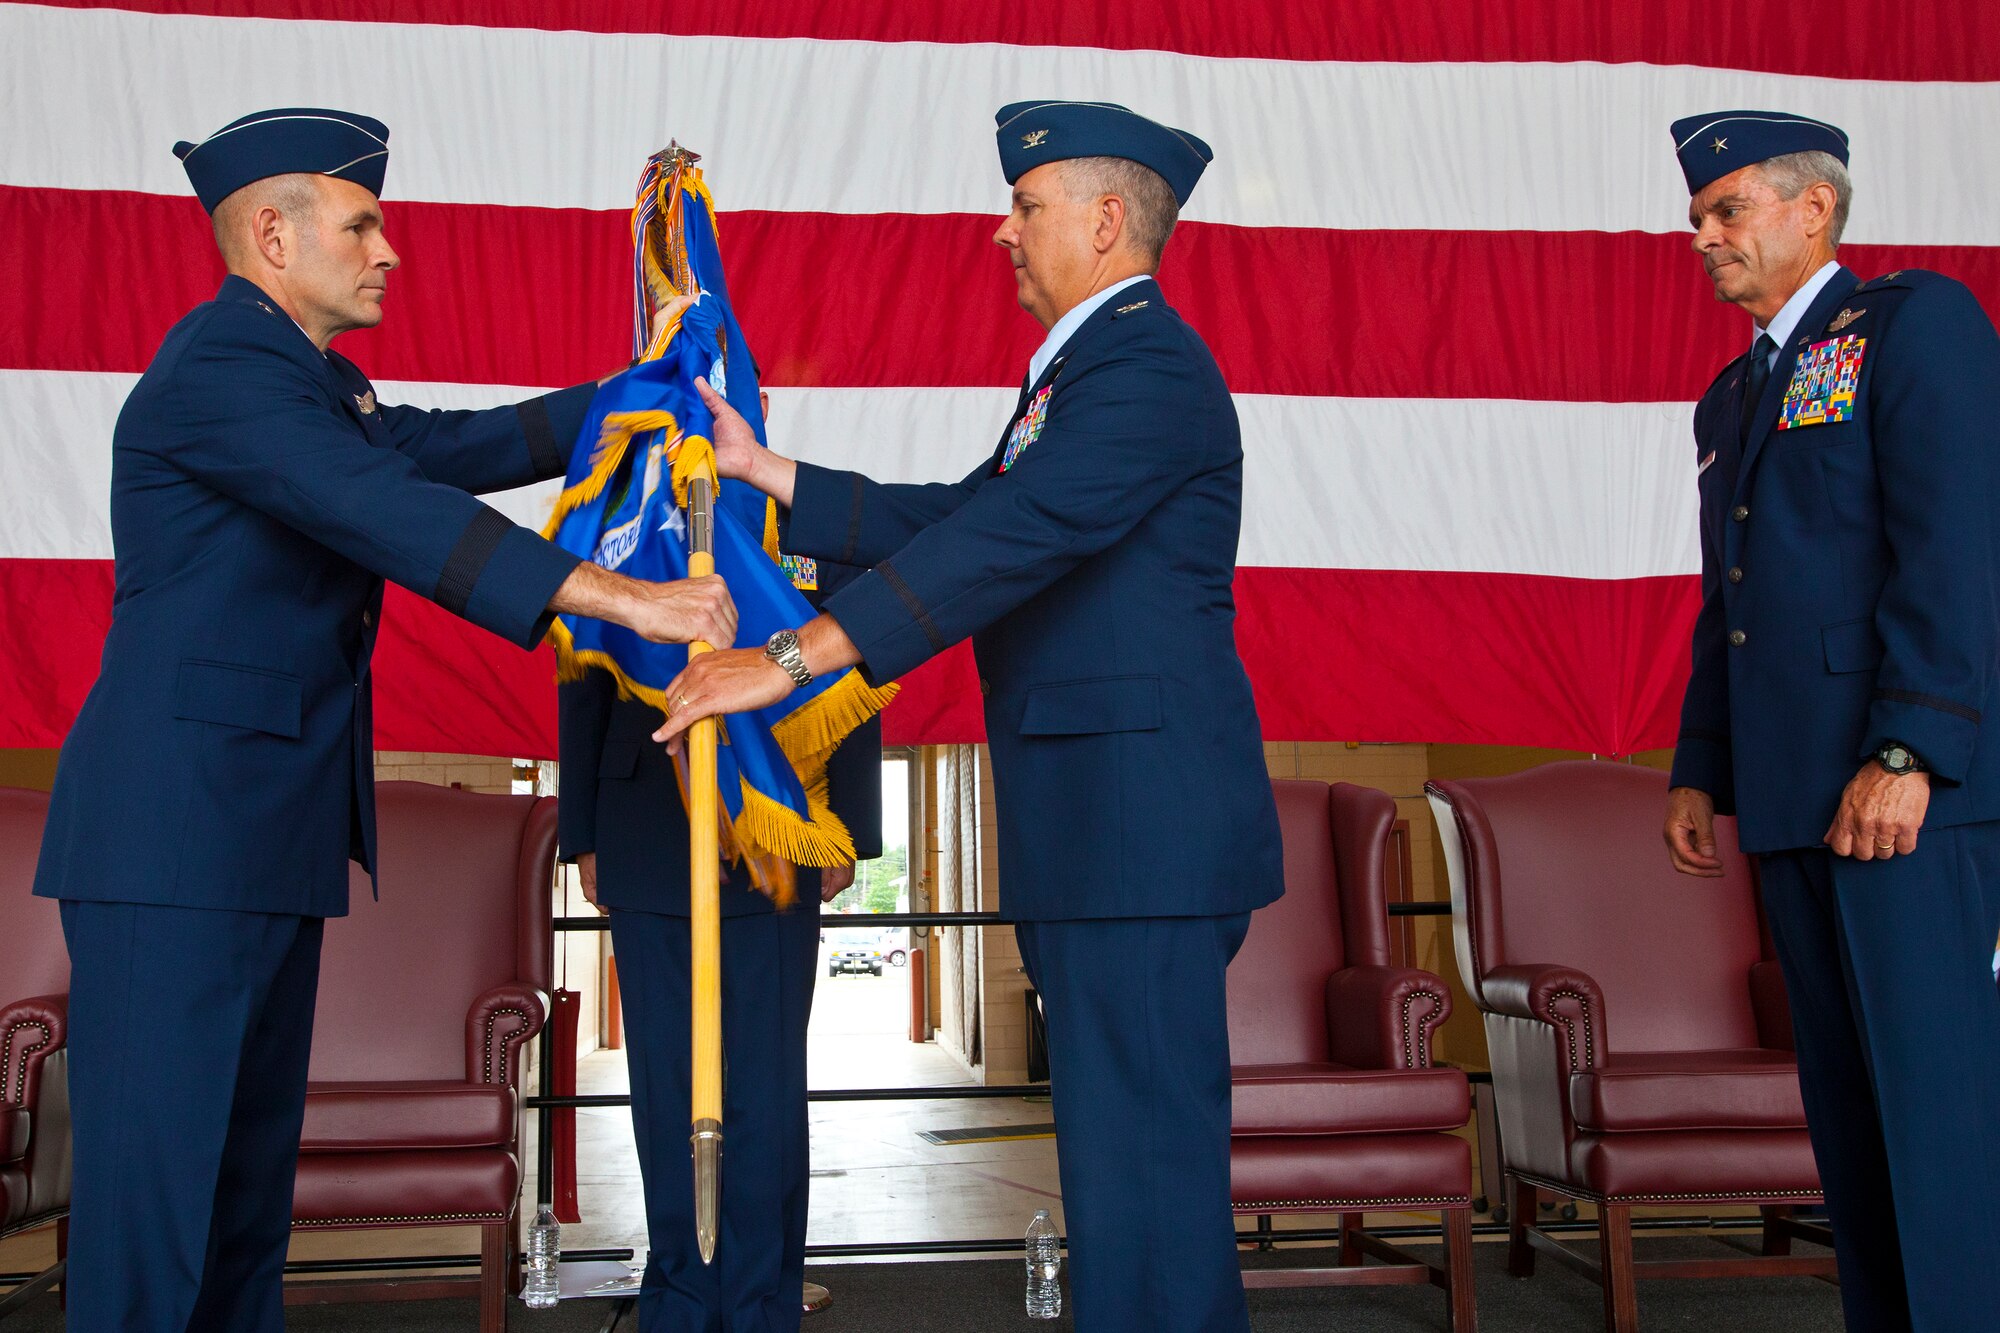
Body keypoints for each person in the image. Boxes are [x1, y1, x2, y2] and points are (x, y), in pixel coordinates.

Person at [31, 107, 735, 1332]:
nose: (388, 249)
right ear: (269, 233)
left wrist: (644, 388)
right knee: (157, 1218)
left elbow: (442, 448)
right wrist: (631, 599)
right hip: (173, 848)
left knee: (244, 1204)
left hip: (262, 840)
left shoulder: (316, 384)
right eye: (360, 224)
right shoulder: (218, 366)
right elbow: (386, 510)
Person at [654, 101, 1283, 1333]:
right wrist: (767, 472)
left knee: (1146, 1172)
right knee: (1115, 1167)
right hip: (1099, 832)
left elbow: (1014, 536)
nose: (1002, 230)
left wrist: (791, 657)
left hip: (1141, 834)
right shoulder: (1088, 370)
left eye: (1026, 205)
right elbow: (967, 512)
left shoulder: (1148, 364)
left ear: (1105, 221)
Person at [1661, 110, 2000, 1331]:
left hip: (1901, 794)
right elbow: (1731, 600)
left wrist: (1906, 749)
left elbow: (1954, 553)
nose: (1702, 235)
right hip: (1794, 794)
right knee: (1849, 1126)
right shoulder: (1732, 394)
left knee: (1936, 1113)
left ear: (1813, 209)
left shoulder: (1914, 327)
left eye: (1727, 209)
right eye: (1697, 214)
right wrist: (1701, 765)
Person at [557, 382, 882, 1333]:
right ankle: (682, 1297)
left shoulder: (799, 520)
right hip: (648, 827)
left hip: (775, 832)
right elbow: (583, 674)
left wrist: (849, 831)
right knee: (663, 1081)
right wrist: (582, 829)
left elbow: (852, 669)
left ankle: (759, 1298)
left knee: (768, 1085)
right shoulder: (623, 522)